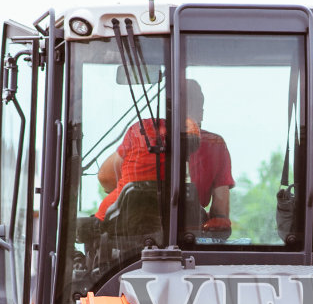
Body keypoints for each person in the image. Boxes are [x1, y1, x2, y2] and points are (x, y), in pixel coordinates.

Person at [95, 78, 233, 232]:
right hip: (184, 235)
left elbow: (105, 177)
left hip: (117, 231)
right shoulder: (215, 144)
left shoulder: (141, 131)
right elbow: (220, 213)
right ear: (200, 113)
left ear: (169, 108)